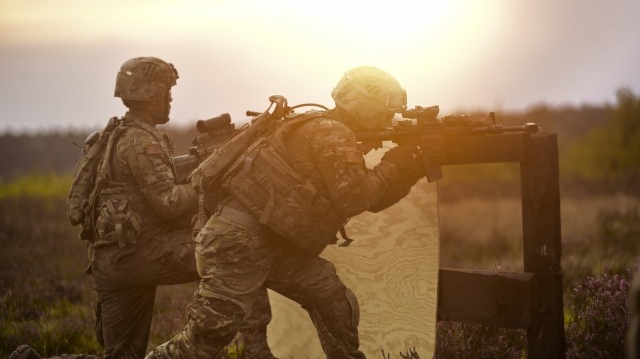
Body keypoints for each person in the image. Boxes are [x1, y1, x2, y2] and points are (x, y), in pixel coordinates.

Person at [145, 66, 428, 358]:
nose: (389, 116)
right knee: (204, 340)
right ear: (366, 103)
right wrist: (394, 164)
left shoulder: (320, 126)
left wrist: (410, 168)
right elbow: (355, 198)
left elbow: (373, 198)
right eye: (386, 108)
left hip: (271, 243)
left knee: (330, 296)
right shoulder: (332, 132)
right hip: (238, 246)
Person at [9, 57, 275, 359]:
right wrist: (205, 179)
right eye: (165, 92)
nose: (170, 99)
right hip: (143, 253)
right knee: (236, 250)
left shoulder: (118, 134)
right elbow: (169, 203)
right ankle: (257, 351)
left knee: (121, 357)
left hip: (109, 262)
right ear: (149, 95)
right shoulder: (140, 141)